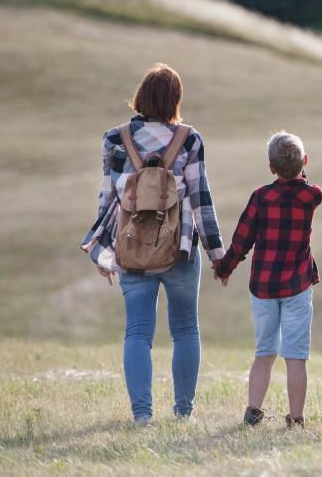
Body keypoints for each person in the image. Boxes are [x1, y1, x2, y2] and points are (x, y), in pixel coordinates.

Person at [80, 63, 226, 426]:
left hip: (131, 247)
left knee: (138, 332)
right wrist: (218, 255)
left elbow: (107, 198)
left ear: (141, 96)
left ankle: (142, 415)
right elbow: (201, 200)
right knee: (186, 330)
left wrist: (102, 249)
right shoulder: (189, 139)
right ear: (175, 99)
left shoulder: (114, 139)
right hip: (180, 248)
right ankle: (183, 413)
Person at [214, 131, 322, 429]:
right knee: (295, 355)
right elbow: (307, 184)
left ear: (271, 167)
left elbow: (242, 239)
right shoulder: (312, 196)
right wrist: (299, 170)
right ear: (304, 162)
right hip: (297, 285)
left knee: (264, 352)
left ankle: (253, 411)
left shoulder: (261, 197)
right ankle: (296, 417)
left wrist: (224, 268)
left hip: (263, 286)